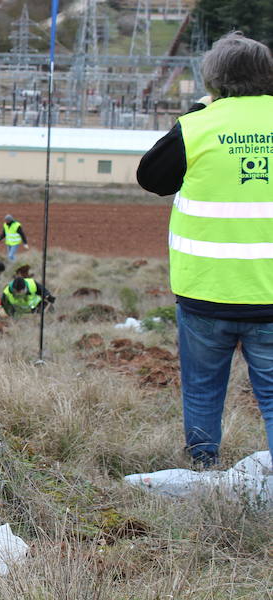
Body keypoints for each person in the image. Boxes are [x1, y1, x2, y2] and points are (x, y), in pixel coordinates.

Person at [137, 32, 273, 466]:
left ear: (213, 80)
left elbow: (152, 178)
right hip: (269, 295)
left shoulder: (196, 126)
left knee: (202, 386)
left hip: (206, 292)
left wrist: (200, 108)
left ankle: (203, 465)